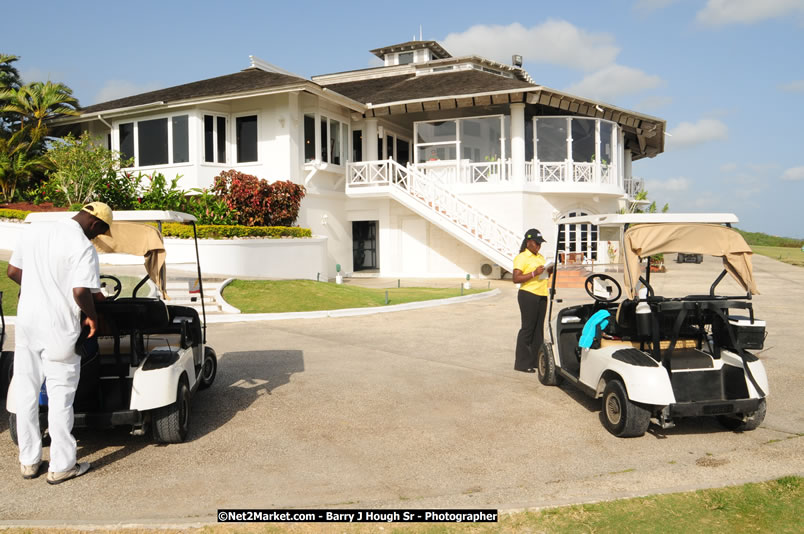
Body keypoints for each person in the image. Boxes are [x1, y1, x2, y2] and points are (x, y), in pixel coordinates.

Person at [7, 202, 112, 484]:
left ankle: (29, 461)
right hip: (59, 328)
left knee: (26, 391)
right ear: (94, 223)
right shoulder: (82, 246)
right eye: (101, 231)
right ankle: (62, 465)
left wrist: (37, 288)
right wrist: (91, 317)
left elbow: (13, 272)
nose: (97, 237)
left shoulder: (34, 232)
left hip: (28, 324)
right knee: (60, 396)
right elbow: (80, 291)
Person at [512, 228, 553, 372]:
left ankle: (536, 361)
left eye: (540, 244)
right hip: (528, 295)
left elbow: (543, 275)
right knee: (527, 329)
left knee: (538, 330)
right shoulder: (522, 257)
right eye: (536, 243)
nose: (538, 246)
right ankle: (522, 364)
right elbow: (516, 278)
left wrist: (550, 270)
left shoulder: (540, 257)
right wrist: (535, 272)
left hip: (542, 295)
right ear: (528, 242)